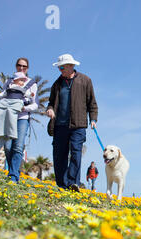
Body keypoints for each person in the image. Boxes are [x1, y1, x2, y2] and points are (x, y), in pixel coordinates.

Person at [46, 54, 98, 191]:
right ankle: (62, 185)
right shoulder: (57, 84)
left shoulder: (85, 81)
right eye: (59, 67)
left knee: (76, 153)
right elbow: (50, 103)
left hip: (78, 125)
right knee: (59, 155)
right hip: (60, 125)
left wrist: (93, 119)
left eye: (62, 67)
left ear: (71, 66)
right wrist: (50, 110)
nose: (60, 69)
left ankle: (72, 183)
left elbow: (92, 103)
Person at [0, 58, 38, 183]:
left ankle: (13, 176)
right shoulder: (9, 81)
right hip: (8, 117)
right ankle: (13, 171)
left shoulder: (31, 84)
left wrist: (24, 108)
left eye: (24, 66)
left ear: (28, 68)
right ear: (16, 66)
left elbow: (35, 104)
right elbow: (2, 94)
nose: (22, 68)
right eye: (19, 66)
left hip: (22, 118)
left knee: (18, 146)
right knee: (8, 147)